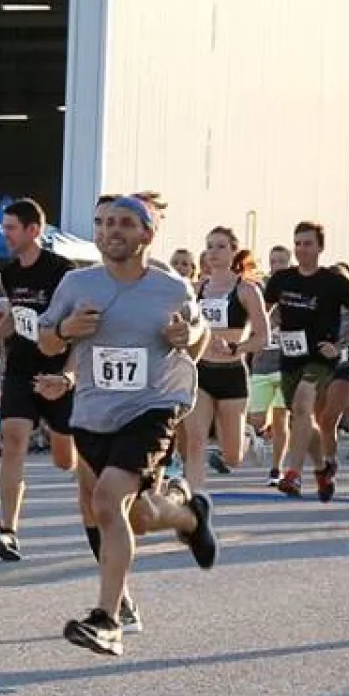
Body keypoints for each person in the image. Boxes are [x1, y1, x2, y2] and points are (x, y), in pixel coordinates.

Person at [45, 194, 220, 656]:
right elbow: (45, 339)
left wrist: (189, 336)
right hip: (93, 413)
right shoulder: (75, 284)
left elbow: (200, 339)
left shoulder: (172, 288)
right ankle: (186, 513)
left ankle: (108, 619)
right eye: (102, 223)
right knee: (135, 517)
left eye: (123, 223)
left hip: (153, 408)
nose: (110, 231)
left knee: (106, 501)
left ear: (147, 233)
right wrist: (65, 333)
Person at [0, 198, 80, 561]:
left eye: (11, 228)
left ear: (34, 230)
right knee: (13, 439)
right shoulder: (9, 273)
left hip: (57, 373)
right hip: (20, 370)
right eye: (4, 228)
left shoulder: (64, 271)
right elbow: (14, 318)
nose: (5, 235)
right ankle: (8, 528)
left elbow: (80, 329)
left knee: (65, 460)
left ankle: (76, 455)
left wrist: (68, 374)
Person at [260, 222, 349, 501]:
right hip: (290, 357)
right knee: (303, 418)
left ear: (320, 247)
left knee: (304, 404)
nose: (302, 249)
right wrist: (257, 336)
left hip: (320, 357)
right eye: (298, 243)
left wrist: (340, 345)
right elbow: (264, 313)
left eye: (307, 243)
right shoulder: (282, 280)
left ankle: (293, 474)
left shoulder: (333, 282)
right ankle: (321, 469)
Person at [182, 228, 271, 480]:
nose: (213, 252)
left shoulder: (246, 290)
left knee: (232, 457)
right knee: (195, 441)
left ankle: (247, 437)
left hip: (232, 373)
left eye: (221, 246)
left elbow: (263, 337)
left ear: (234, 252)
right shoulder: (194, 289)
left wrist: (236, 348)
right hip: (201, 372)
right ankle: (195, 501)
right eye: (209, 246)